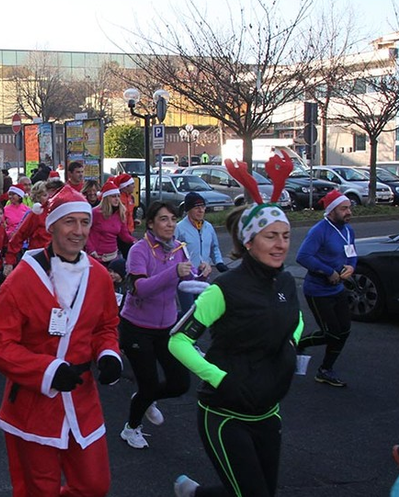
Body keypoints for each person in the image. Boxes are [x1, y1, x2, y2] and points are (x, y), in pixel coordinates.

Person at [169, 157, 303, 497]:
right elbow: (179, 341)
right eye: (271, 236)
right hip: (225, 412)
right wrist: (219, 378)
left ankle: (195, 494)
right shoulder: (224, 289)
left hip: (269, 411)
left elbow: (296, 320)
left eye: (285, 235)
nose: (281, 244)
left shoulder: (285, 281)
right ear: (248, 242)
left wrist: (290, 347)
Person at [0, 185, 122, 497]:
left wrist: (109, 354)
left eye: (84, 222)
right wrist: (46, 370)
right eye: (69, 222)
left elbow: (106, 327)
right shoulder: (21, 279)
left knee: (94, 485)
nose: (78, 231)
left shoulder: (98, 275)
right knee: (38, 489)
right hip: (33, 405)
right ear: (52, 226)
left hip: (82, 400)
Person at [118, 201, 194, 449]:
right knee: (149, 383)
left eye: (173, 219)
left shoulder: (179, 249)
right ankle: (131, 428)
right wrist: (174, 271)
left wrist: (201, 273)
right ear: (151, 223)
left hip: (168, 327)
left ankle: (144, 397)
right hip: (136, 326)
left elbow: (187, 280)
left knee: (180, 383)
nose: (170, 224)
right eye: (163, 219)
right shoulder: (139, 250)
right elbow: (140, 289)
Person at [296, 189, 356, 387]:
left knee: (344, 330)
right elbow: (303, 256)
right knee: (331, 332)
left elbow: (351, 254)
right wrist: (328, 271)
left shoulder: (348, 229)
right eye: (344, 208)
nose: (349, 212)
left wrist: (351, 266)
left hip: (338, 289)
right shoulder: (319, 230)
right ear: (331, 211)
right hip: (317, 290)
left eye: (349, 208)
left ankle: (325, 370)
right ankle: (298, 344)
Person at [175, 192, 226, 313]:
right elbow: (171, 252)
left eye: (203, 207)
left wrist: (219, 263)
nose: (201, 210)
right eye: (197, 207)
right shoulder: (179, 228)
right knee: (188, 313)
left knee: (201, 313)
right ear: (188, 210)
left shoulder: (208, 227)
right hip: (186, 279)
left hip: (204, 276)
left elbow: (214, 247)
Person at [3, 179, 63, 276]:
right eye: (45, 195)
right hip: (39, 258)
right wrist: (9, 260)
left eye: (52, 195)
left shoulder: (62, 213)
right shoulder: (37, 214)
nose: (49, 198)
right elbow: (20, 235)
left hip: (59, 260)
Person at [85, 180, 135, 266]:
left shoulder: (120, 213)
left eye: (118, 196)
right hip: (96, 256)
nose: (117, 199)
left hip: (113, 256)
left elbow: (124, 235)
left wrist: (135, 242)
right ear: (106, 198)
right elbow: (85, 233)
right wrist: (91, 250)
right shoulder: (95, 213)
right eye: (113, 196)